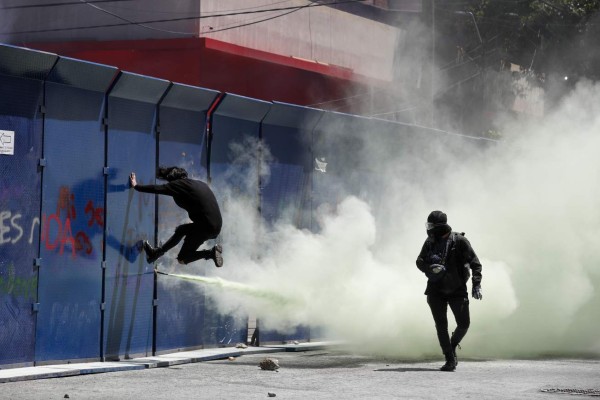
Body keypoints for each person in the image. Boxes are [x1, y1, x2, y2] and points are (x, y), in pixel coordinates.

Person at [416, 210, 482, 372]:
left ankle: (451, 346)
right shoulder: (429, 241)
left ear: (440, 226)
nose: (429, 229)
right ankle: (449, 359)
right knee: (441, 326)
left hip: (457, 289)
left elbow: (476, 264)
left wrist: (476, 284)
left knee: (464, 324)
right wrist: (430, 267)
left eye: (431, 225)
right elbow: (419, 261)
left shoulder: (460, 241)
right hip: (435, 290)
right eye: (428, 225)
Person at [129, 166, 223, 268]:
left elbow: (157, 189)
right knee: (181, 230)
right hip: (215, 226)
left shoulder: (178, 184)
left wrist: (136, 186)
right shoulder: (199, 183)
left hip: (206, 226)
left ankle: (210, 253)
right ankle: (155, 253)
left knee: (183, 259)